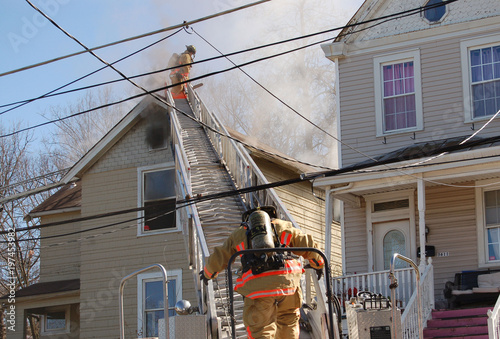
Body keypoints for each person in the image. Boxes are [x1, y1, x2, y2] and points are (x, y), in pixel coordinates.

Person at [200, 207, 324, 339]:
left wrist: (208, 274)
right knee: (288, 323)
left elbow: (221, 255)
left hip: (258, 290)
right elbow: (306, 242)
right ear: (272, 216)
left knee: (261, 330)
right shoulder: (281, 226)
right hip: (287, 286)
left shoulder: (239, 234)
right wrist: (318, 263)